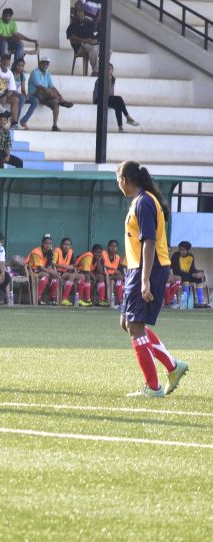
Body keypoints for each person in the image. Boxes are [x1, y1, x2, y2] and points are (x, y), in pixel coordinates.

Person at [115, 160, 188, 397]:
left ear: (124, 180)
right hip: (137, 269)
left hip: (149, 268)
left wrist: (145, 280)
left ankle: (153, 387)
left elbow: (149, 242)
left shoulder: (145, 202)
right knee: (127, 323)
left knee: (136, 326)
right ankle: (173, 366)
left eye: (118, 180)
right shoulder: (141, 201)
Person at [25, 57, 74, 132]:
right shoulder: (34, 72)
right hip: (34, 94)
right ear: (39, 63)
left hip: (45, 95)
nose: (45, 65)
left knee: (55, 104)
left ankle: (54, 125)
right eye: (44, 63)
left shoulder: (47, 73)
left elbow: (52, 86)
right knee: (46, 90)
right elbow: (39, 86)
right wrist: (50, 92)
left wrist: (59, 96)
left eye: (47, 63)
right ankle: (62, 102)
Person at [93, 64, 140, 131]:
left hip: (106, 98)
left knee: (118, 106)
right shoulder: (101, 79)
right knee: (119, 98)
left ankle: (120, 128)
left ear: (112, 71)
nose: (108, 71)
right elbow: (103, 93)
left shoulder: (113, 79)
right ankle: (128, 117)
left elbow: (110, 94)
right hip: (98, 99)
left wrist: (110, 80)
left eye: (109, 69)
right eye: (107, 69)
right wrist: (108, 80)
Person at [170, 241, 208, 308]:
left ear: (188, 250)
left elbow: (192, 269)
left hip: (188, 274)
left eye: (183, 250)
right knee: (185, 278)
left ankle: (200, 302)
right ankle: (186, 302)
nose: (181, 252)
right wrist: (193, 275)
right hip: (179, 276)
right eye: (180, 250)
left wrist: (199, 273)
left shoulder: (191, 257)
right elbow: (177, 270)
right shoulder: (175, 256)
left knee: (199, 278)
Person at [26, 235, 60, 305]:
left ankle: (52, 298)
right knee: (46, 275)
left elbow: (49, 267)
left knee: (55, 277)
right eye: (46, 243)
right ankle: (38, 298)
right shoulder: (36, 251)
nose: (48, 245)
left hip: (42, 271)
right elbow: (39, 267)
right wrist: (51, 273)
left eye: (50, 243)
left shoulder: (49, 253)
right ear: (42, 244)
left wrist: (55, 274)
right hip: (33, 271)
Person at [66, 7, 100, 75]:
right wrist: (85, 41)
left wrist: (95, 40)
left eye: (81, 12)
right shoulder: (73, 25)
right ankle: (96, 71)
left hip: (92, 44)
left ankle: (102, 69)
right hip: (80, 46)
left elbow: (97, 34)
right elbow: (71, 37)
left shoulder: (89, 24)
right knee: (93, 49)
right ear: (75, 15)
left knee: (108, 50)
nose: (80, 14)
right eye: (78, 13)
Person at [53, 237, 85, 307]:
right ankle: (64, 299)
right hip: (57, 272)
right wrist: (63, 266)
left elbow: (73, 264)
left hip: (66, 272)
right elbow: (53, 263)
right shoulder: (57, 251)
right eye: (65, 244)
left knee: (82, 276)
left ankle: (79, 299)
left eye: (69, 245)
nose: (67, 246)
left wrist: (72, 267)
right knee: (72, 276)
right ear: (61, 245)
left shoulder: (70, 252)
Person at [101, 239, 126, 306]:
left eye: (115, 246)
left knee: (120, 278)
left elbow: (119, 269)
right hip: (104, 274)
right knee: (116, 278)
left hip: (113, 276)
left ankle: (119, 301)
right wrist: (113, 269)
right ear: (108, 247)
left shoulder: (117, 257)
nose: (113, 248)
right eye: (111, 246)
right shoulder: (104, 253)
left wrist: (118, 272)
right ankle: (111, 300)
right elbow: (103, 265)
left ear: (117, 248)